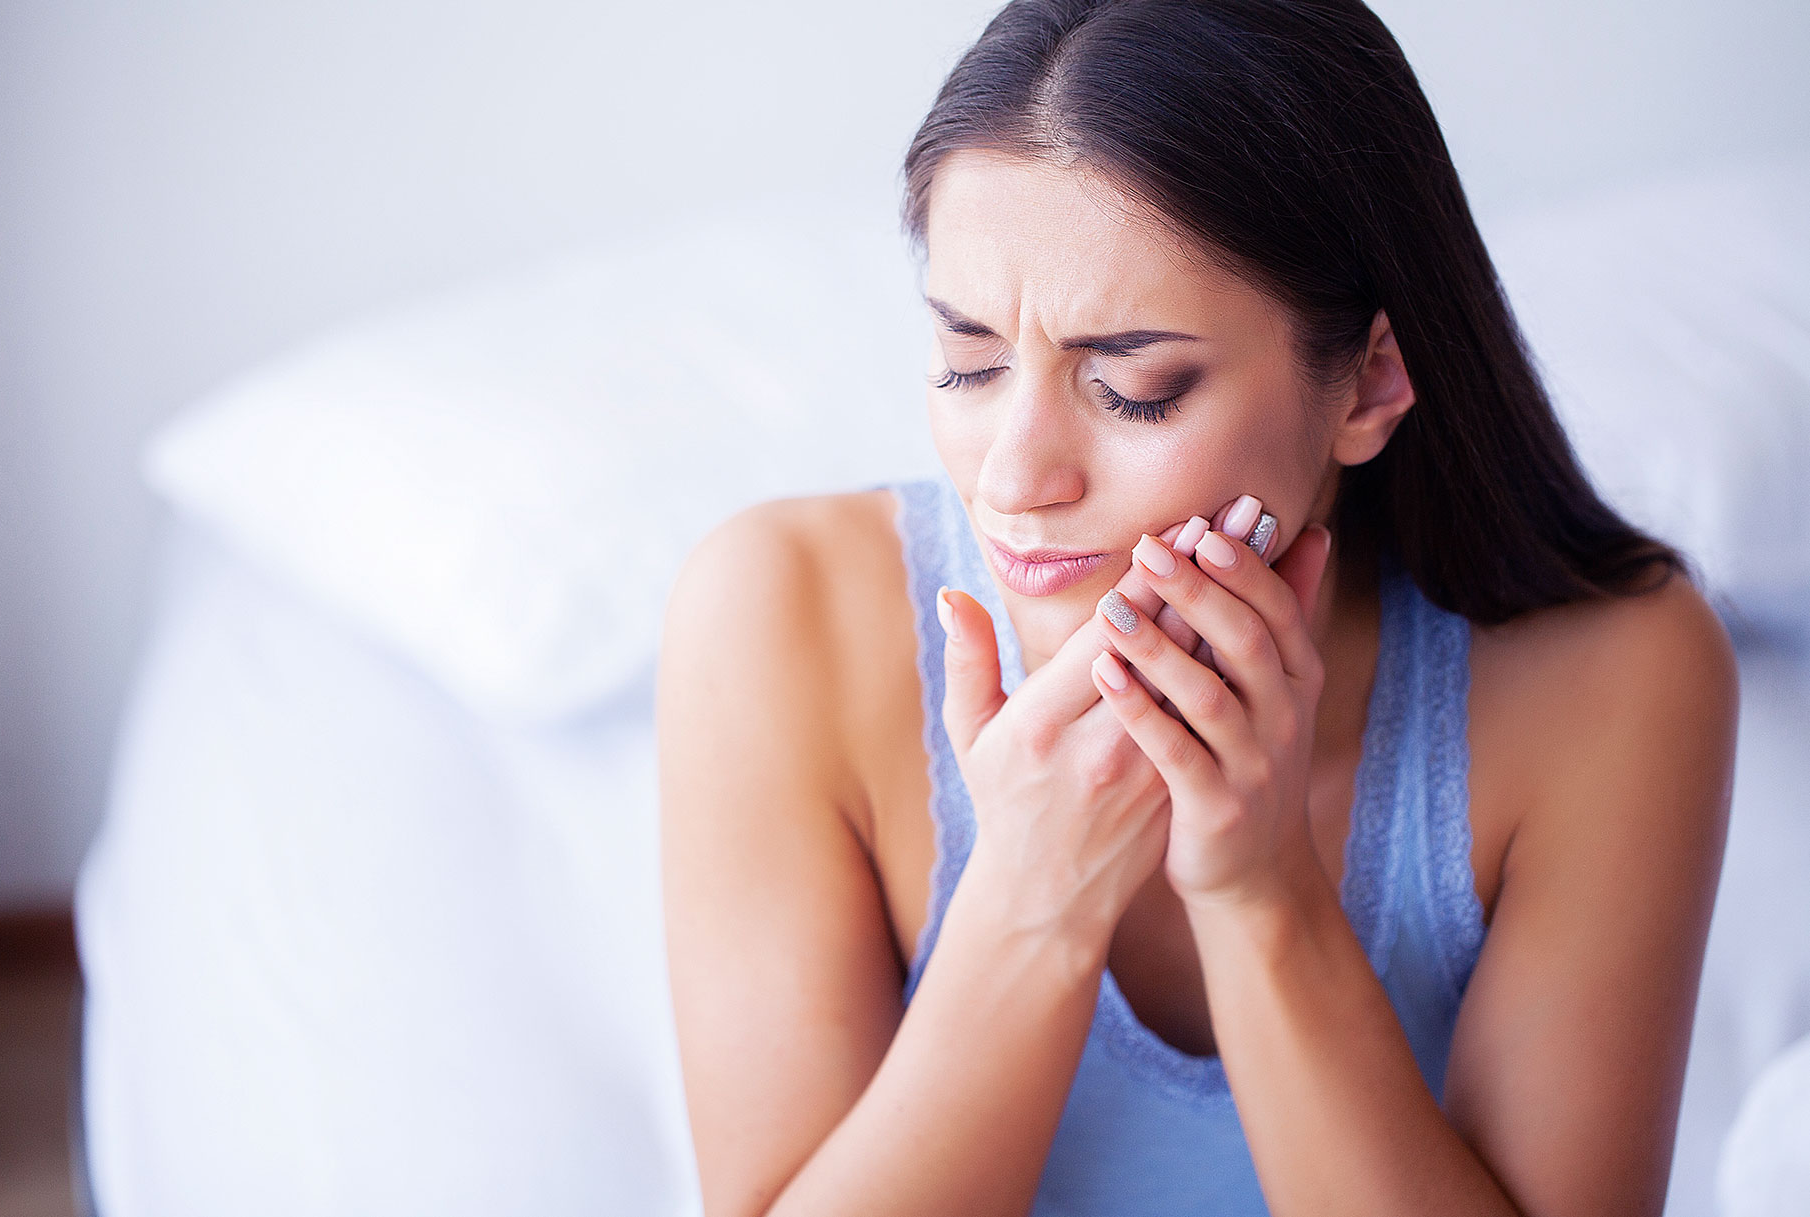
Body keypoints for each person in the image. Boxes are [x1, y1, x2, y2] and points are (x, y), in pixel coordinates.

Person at [656, 2, 1740, 1214]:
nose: (1013, 480)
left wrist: (1262, 893)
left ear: (1370, 380)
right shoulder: (776, 615)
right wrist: (1031, 893)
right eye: (968, 362)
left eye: (1132, 389)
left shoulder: (1612, 673)